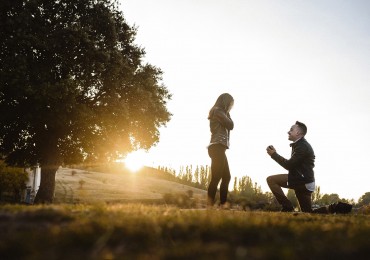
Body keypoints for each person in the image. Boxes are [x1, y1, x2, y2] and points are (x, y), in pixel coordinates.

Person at [266, 121, 352, 214]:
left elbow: (289, 165)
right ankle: (336, 207)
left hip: (301, 181)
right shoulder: (299, 144)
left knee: (271, 180)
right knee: (308, 213)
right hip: (306, 183)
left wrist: (274, 155)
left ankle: (287, 207)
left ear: (298, 133)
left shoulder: (302, 146)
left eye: (291, 130)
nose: (288, 132)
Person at [207, 93, 234, 208]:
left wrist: (227, 113)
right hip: (217, 147)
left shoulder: (220, 112)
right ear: (226, 102)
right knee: (216, 177)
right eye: (231, 104)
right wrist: (227, 112)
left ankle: (223, 205)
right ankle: (210, 205)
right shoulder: (218, 111)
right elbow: (231, 125)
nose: (231, 107)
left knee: (226, 177)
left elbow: (230, 125)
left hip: (219, 148)